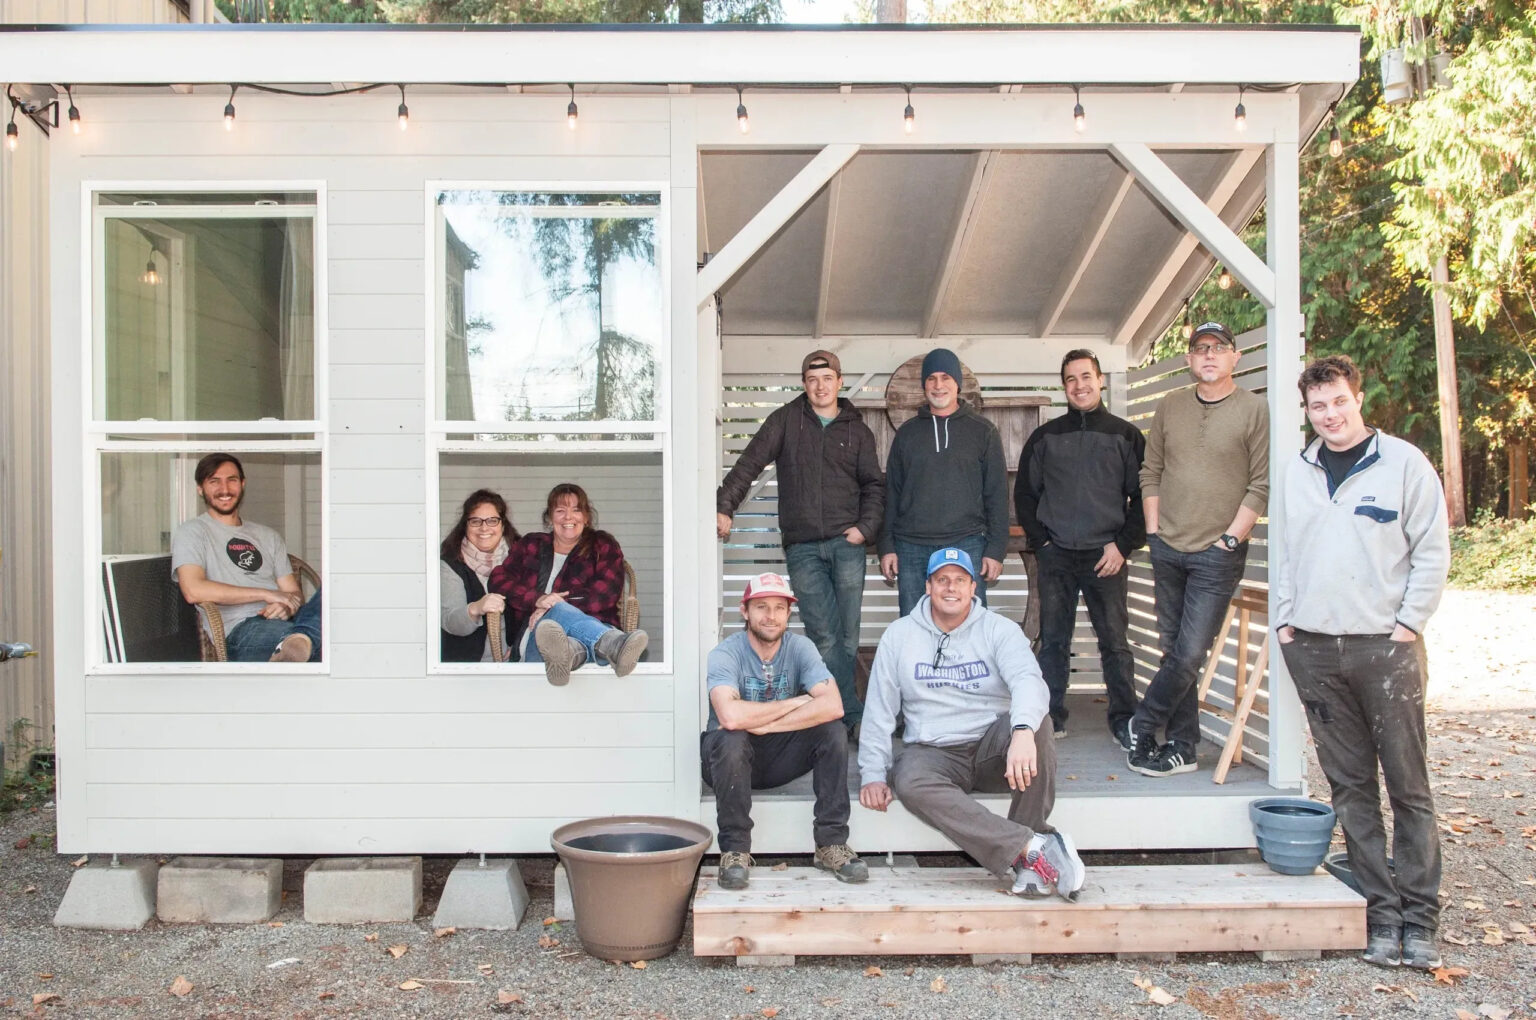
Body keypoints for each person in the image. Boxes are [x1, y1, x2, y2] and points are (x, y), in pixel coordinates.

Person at [1275, 354, 1449, 970]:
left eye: (1339, 402)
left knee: (1408, 786)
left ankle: (1420, 918)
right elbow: (1287, 554)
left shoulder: (1402, 463)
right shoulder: (1297, 471)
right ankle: (1380, 914)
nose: (1330, 415)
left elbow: (1431, 548)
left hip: (1386, 648)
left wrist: (1408, 624)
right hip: (1316, 649)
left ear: (1359, 398)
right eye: (1318, 407)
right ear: (1308, 411)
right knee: (1351, 789)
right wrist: (1287, 624)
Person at [858, 547, 1086, 900]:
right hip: (933, 751)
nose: (951, 588)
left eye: (960, 580)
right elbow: (879, 709)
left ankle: (1030, 844)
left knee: (1037, 721)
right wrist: (873, 773)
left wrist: (1023, 732)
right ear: (928, 586)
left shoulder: (1000, 630)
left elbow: (1029, 681)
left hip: (991, 748)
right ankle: (1030, 847)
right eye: (942, 580)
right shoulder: (900, 636)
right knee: (909, 780)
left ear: (973, 588)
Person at [717, 349, 884, 736]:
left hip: (848, 545)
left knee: (847, 636)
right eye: (812, 380)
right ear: (804, 384)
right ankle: (849, 714)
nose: (820, 386)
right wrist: (725, 505)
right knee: (824, 635)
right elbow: (748, 464)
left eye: (827, 378)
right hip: (804, 547)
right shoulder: (786, 420)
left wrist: (865, 528)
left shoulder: (856, 430)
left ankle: (836, 710)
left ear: (839, 382)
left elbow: (875, 485)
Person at [1128, 322, 1269, 778]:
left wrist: (1231, 538)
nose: (1209, 355)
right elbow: (1151, 471)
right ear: (1189, 359)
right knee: (1174, 652)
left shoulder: (1254, 410)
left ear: (1234, 358)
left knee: (1189, 653)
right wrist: (1153, 530)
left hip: (1217, 552)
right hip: (1167, 545)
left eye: (1219, 348)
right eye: (1200, 348)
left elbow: (1261, 483)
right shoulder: (1170, 406)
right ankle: (1183, 747)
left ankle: (1144, 721)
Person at [701, 572, 867, 890]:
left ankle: (830, 843)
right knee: (731, 737)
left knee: (832, 731)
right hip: (726, 761)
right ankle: (735, 850)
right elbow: (730, 717)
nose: (771, 615)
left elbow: (834, 706)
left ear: (789, 613)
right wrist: (800, 702)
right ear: (745, 610)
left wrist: (766, 724)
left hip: (777, 755)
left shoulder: (800, 648)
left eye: (779, 607)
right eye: (761, 606)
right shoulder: (726, 652)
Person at [1015, 349, 1146, 746]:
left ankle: (1124, 719)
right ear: (1063, 387)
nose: (1079, 385)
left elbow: (1144, 497)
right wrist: (1043, 544)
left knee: (1115, 643)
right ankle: (1051, 716)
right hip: (1057, 557)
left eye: (1086, 376)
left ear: (1101, 380)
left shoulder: (1125, 436)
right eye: (1071, 379)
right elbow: (1024, 494)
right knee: (1053, 640)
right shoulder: (1046, 437)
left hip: (1106, 556)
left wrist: (1122, 546)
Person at [878, 348, 1009, 616]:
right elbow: (892, 493)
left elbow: (997, 494)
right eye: (932, 379)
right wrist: (887, 546)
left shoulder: (983, 431)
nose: (939, 385)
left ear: (957, 383)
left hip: (967, 543)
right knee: (915, 626)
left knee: (969, 626)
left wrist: (995, 549)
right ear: (924, 385)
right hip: (911, 547)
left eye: (946, 377)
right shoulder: (907, 434)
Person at [488, 483, 648, 686]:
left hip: (593, 627)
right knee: (550, 628)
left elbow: (605, 594)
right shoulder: (531, 545)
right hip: (539, 637)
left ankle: (570, 655)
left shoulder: (602, 545)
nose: (568, 517)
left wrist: (556, 605)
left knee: (567, 644)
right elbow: (498, 579)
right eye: (560, 510)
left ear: (587, 517)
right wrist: (539, 600)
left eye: (576, 510)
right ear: (549, 518)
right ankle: (613, 644)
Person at [172, 452, 321, 662]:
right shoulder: (192, 532)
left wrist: (286, 606)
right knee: (327, 646)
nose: (224, 489)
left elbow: (293, 593)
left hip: (287, 623)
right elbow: (193, 590)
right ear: (200, 489)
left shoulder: (268, 536)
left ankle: (298, 641)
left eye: (231, 480)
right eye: (214, 481)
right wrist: (268, 594)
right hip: (242, 631)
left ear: (242, 484)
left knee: (336, 585)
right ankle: (300, 642)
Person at [440, 489, 518, 663]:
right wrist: (476, 608)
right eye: (476, 521)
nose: (484, 528)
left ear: (503, 525)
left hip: (513, 665)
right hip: (466, 667)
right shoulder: (451, 564)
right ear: (465, 525)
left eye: (492, 521)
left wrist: (519, 645)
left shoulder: (520, 558)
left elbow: (530, 610)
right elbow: (450, 621)